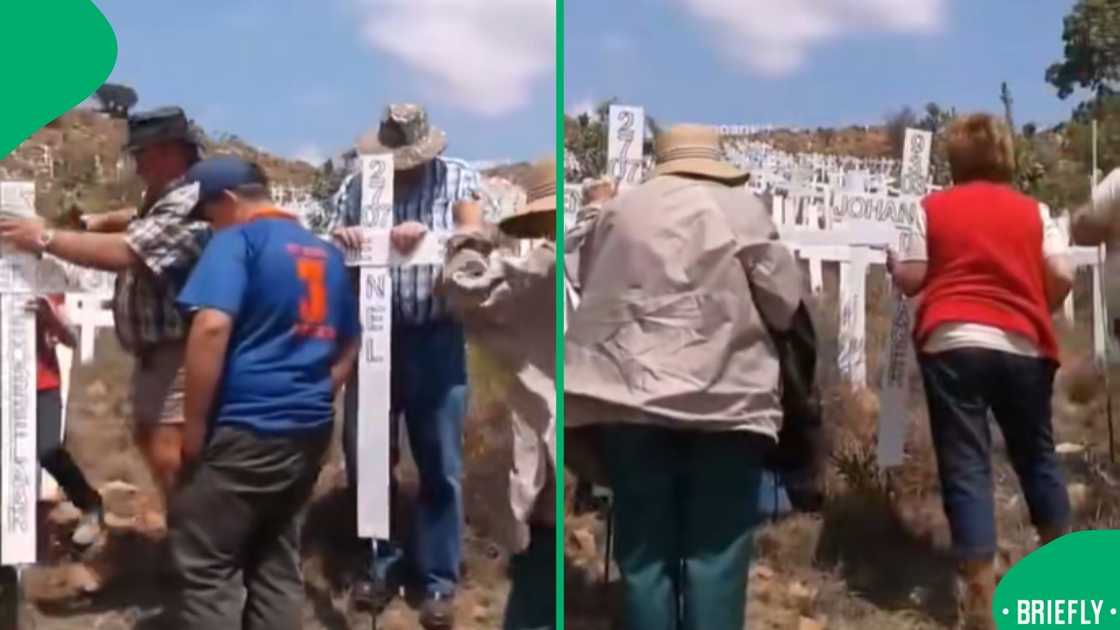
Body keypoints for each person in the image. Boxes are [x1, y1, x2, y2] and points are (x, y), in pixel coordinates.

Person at [565, 124, 803, 630]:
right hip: (726, 401)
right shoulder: (739, 207)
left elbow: (586, 277)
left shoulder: (622, 210)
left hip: (629, 400)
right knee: (714, 558)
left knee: (645, 558)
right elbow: (783, 304)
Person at [887, 113, 1073, 630]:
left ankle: (981, 598)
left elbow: (914, 277)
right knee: (1036, 455)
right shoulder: (1035, 212)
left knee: (966, 463)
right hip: (1023, 342)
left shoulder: (934, 208)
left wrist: (894, 267)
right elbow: (1061, 274)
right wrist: (1038, 305)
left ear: (958, 159)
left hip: (954, 340)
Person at [168, 157, 360, 630]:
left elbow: (211, 327)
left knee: (207, 565)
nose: (210, 227)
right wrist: (314, 394)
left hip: (244, 428)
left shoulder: (239, 243)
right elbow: (350, 344)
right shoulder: (328, 254)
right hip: (308, 430)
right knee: (277, 561)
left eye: (210, 215)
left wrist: (193, 429)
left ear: (229, 201)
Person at [329, 103, 493, 628]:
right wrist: (347, 240)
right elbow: (330, 242)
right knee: (368, 452)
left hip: (434, 335)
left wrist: (435, 237)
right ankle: (379, 563)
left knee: (439, 459)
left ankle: (438, 579)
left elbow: (477, 238)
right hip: (371, 335)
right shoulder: (358, 186)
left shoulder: (459, 178)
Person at [0, 106, 209, 509]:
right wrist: (99, 220)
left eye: (141, 155)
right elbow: (137, 219)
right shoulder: (166, 198)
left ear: (167, 152)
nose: (136, 165)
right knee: (155, 444)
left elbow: (127, 250)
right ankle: (186, 541)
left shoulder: (187, 202)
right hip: (157, 352)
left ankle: (196, 546)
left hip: (177, 351)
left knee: (170, 452)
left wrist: (44, 238)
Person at [441, 159, 557, 630]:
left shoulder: (540, 271)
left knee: (539, 550)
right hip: (620, 436)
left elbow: (468, 288)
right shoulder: (614, 262)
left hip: (549, 440)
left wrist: (468, 236)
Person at [33, 294, 104, 546]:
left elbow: (72, 338)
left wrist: (49, 317)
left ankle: (90, 506)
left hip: (42, 385)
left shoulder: (42, 281)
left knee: (48, 451)